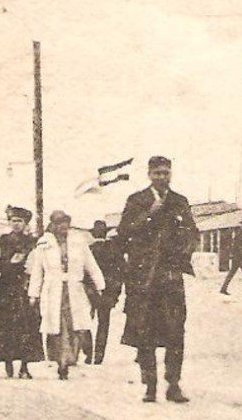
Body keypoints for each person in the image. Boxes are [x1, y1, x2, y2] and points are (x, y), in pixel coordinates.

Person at [119, 155, 199, 403]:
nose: (162, 178)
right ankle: (150, 384)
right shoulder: (137, 201)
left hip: (170, 276)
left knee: (176, 330)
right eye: (157, 173)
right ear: (149, 175)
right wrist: (149, 216)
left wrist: (183, 254)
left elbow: (192, 233)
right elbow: (123, 233)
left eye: (166, 173)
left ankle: (173, 384)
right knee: (145, 331)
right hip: (143, 278)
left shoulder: (179, 201)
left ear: (171, 174)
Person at [28, 210, 106, 381]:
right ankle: (61, 363)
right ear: (53, 226)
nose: (63, 228)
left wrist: (100, 284)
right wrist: (33, 293)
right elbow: (37, 271)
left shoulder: (78, 242)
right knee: (57, 327)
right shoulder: (44, 244)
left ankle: (69, 359)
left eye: (66, 225)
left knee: (74, 326)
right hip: (53, 290)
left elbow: (90, 264)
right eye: (59, 225)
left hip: (74, 290)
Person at [0, 207, 45, 379]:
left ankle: (25, 365)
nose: (16, 224)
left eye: (19, 221)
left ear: (26, 223)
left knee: (27, 325)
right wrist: (12, 262)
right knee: (6, 325)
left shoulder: (33, 241)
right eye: (13, 220)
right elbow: (2, 261)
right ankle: (8, 361)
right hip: (7, 286)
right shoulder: (5, 239)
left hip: (25, 285)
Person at [87, 220, 125, 365]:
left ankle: (88, 351)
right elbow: (121, 273)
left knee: (85, 322)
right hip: (107, 292)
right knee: (103, 323)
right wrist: (116, 294)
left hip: (90, 291)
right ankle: (98, 354)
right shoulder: (115, 250)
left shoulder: (89, 250)